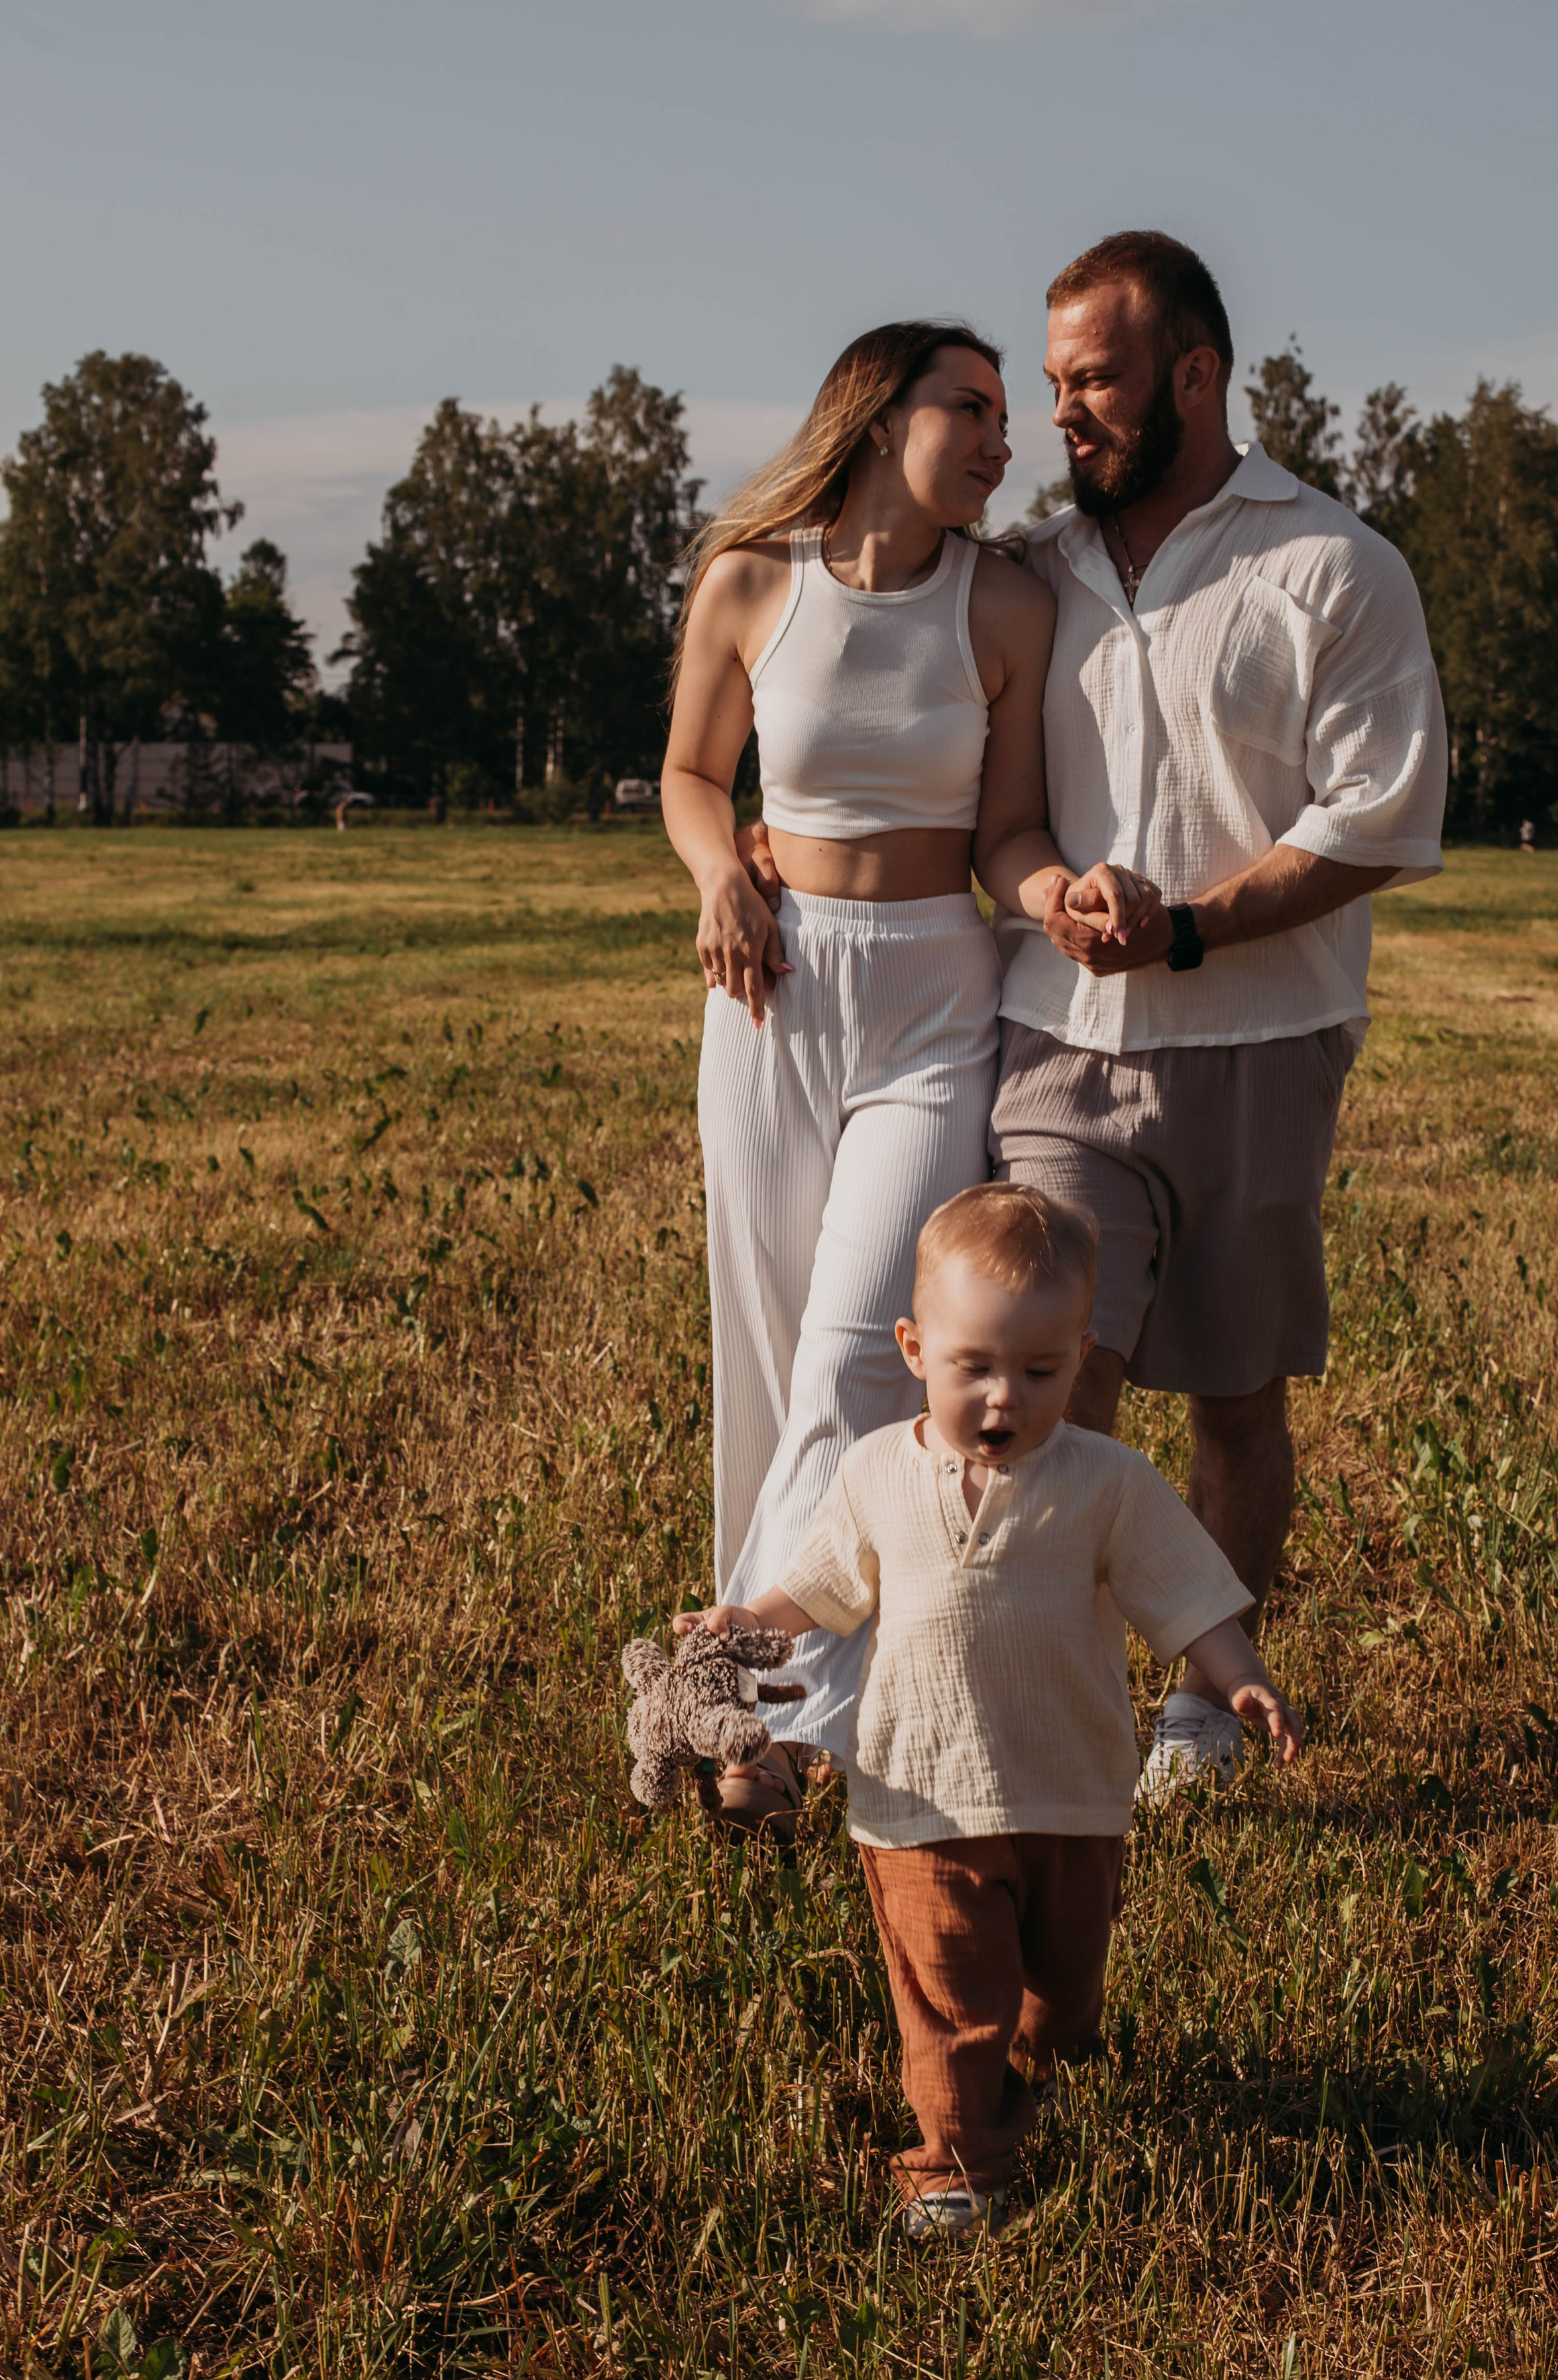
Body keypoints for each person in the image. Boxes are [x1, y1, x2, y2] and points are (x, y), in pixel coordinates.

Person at [661, 319, 1150, 1839]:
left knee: (856, 1360)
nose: (1004, 439)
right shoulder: (751, 578)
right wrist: (714, 876)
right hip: (768, 993)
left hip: (933, 995)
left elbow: (1004, 830)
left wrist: (1053, 889)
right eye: (973, 406)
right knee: (763, 1354)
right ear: (878, 418)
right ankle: (808, 1685)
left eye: (1009, 413)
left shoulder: (1000, 604)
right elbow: (690, 775)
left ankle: (744, 1696)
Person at [981, 231, 1447, 1798]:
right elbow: (936, 751)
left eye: (1095, 378)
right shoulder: (1034, 568)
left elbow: (1375, 817)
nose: (1065, 413)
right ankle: (1055, 1704)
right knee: (1056, 1379)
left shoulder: (1328, 563)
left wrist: (1185, 929)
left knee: (1235, 1399)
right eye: (1052, 385)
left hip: (1259, 1048)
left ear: (1194, 373)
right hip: (1052, 1044)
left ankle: (1199, 1702)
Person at [677, 1183, 1301, 2236]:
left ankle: (1045, 2065)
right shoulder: (878, 1472)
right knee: (952, 1998)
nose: (1005, 1399)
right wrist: (745, 1624)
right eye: (975, 1368)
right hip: (918, 1797)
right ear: (916, 1348)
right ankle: (956, 2164)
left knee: (1063, 1995)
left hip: (1073, 1795)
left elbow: (1179, 1591)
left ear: (1083, 1353)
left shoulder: (1107, 1482)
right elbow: (824, 1588)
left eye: (1041, 1371)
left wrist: (1233, 1672)